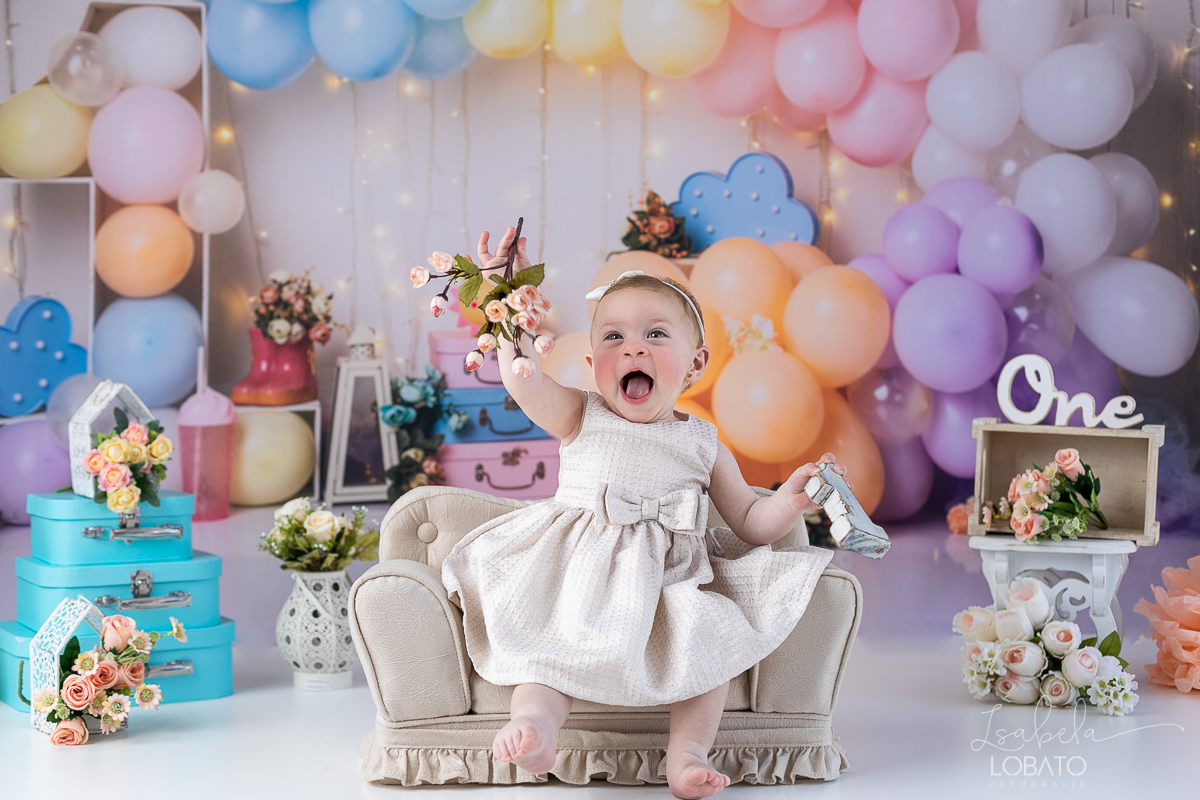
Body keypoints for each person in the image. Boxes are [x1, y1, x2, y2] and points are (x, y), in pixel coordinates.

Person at [441, 227, 846, 799]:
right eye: (613, 337)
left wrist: (790, 500)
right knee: (546, 652)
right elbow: (522, 378)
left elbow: (752, 522)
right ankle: (536, 725)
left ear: (695, 364)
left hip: (668, 586)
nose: (632, 348)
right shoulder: (580, 414)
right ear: (591, 360)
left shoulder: (703, 443)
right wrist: (505, 298)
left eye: (656, 334)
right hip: (576, 576)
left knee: (710, 653)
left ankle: (687, 756)